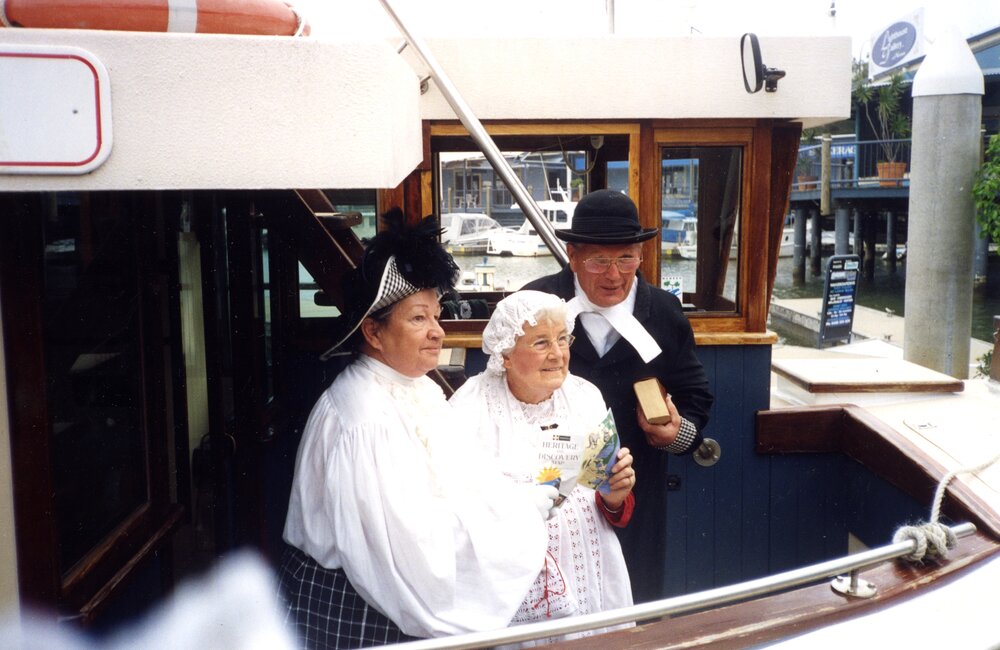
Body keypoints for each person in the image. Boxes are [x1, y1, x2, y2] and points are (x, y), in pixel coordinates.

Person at [279, 210, 558, 649]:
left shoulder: (418, 388)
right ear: (372, 331)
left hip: (385, 595)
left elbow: (460, 478)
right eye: (417, 319)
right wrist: (515, 523)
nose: (437, 331)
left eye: (436, 314)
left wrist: (511, 504)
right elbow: (413, 551)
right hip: (358, 609)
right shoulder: (365, 418)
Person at [523, 189, 714, 604]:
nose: (614, 275)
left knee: (634, 606)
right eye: (599, 260)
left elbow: (696, 396)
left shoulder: (663, 312)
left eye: (627, 258)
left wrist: (677, 435)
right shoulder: (534, 304)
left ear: (640, 256)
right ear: (571, 255)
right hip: (548, 498)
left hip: (636, 498)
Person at [450, 290, 636, 624]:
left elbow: (609, 502)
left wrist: (616, 496)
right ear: (505, 354)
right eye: (541, 343)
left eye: (562, 339)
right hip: (514, 577)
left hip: (589, 567)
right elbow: (453, 510)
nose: (558, 354)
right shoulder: (470, 407)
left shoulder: (584, 396)